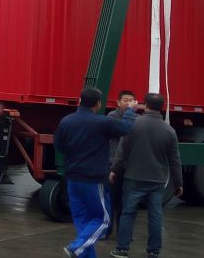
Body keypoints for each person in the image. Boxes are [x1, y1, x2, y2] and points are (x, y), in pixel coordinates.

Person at [55, 88, 136, 258]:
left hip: (73, 178)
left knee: (83, 221)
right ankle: (76, 247)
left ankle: (86, 255)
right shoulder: (102, 122)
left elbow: (59, 147)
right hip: (94, 179)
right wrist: (130, 111)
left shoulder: (66, 121)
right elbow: (126, 128)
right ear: (98, 104)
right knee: (103, 220)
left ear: (80, 100)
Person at [109, 93, 183, 258]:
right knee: (155, 215)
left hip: (133, 177)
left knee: (128, 212)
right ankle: (153, 251)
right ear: (162, 107)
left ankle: (122, 249)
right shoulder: (169, 130)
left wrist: (114, 170)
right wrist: (178, 184)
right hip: (157, 180)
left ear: (145, 105)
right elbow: (175, 160)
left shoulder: (133, 124)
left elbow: (121, 152)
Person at [105, 90, 137, 238]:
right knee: (111, 201)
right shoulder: (112, 116)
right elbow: (123, 130)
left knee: (127, 203)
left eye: (131, 100)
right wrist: (130, 113)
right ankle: (107, 230)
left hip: (130, 167)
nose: (128, 103)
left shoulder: (138, 119)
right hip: (113, 165)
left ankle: (124, 233)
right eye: (125, 100)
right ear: (118, 102)